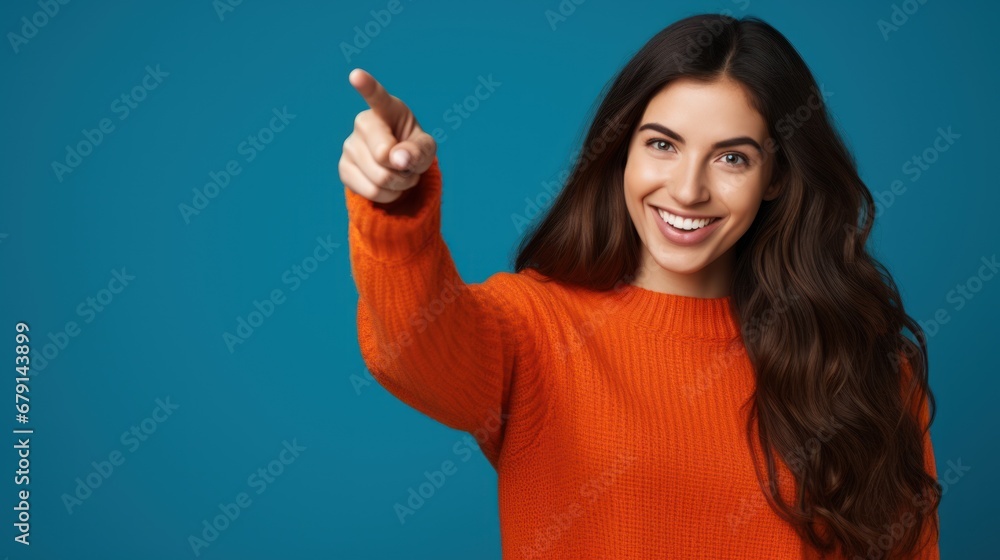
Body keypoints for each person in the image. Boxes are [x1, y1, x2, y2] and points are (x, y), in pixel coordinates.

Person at [339, 13, 941, 559]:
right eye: (662, 145)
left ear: (776, 176)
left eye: (732, 158)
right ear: (621, 150)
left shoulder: (863, 364)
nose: (687, 190)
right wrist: (396, 209)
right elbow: (413, 350)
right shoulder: (537, 327)